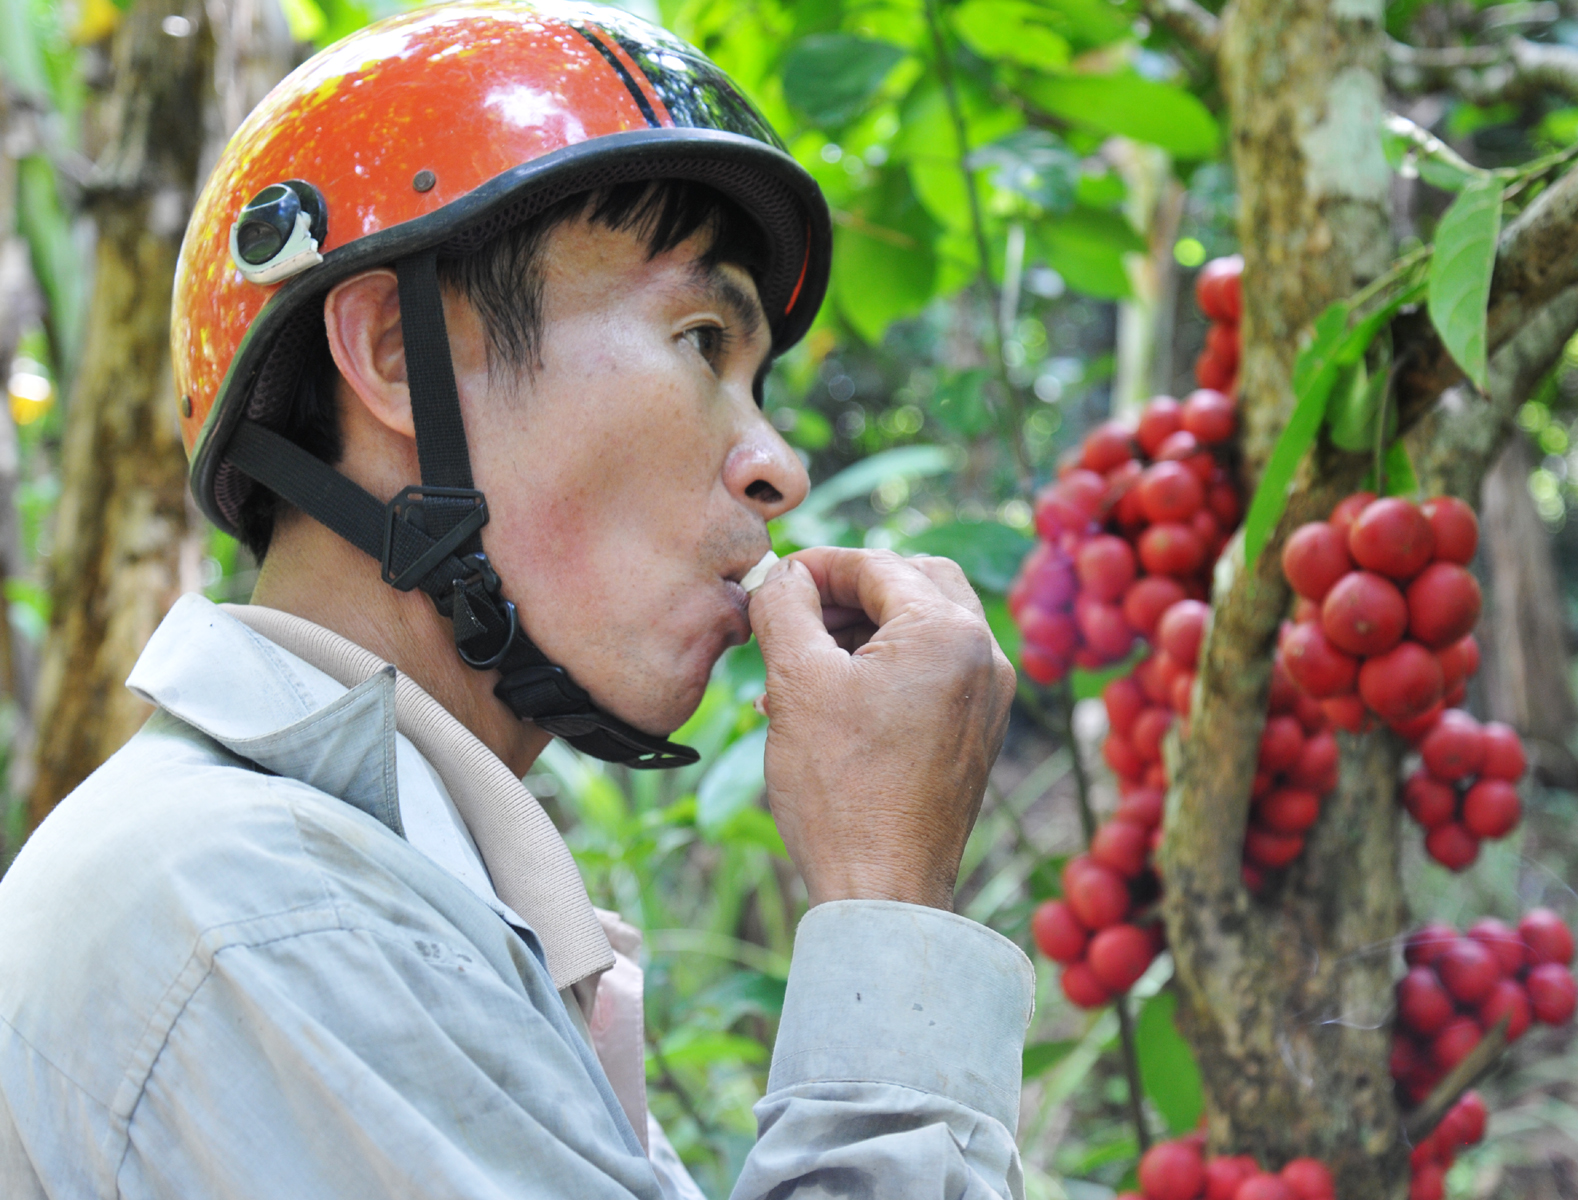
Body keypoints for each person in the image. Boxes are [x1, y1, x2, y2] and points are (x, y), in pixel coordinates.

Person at [0, 3, 1031, 1197]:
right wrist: (886, 900)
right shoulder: (258, 918)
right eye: (701, 340)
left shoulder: (377, 904)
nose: (778, 467)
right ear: (393, 355)